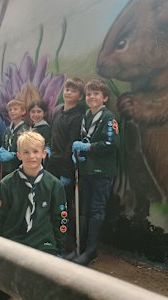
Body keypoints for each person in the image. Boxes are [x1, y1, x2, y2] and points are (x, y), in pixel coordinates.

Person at [0, 131, 67, 300]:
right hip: (13, 241)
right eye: (26, 152)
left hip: (43, 243)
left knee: (45, 290)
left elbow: (59, 218)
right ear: (18, 155)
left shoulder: (54, 185)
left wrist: (59, 249)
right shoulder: (7, 183)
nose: (31, 156)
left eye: (35, 151)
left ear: (43, 153)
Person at [69, 79, 119, 266]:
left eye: (96, 94)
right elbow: (83, 139)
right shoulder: (86, 116)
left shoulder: (108, 117)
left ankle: (91, 251)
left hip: (102, 172)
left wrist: (88, 147)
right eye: (89, 94)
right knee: (83, 209)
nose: (91, 97)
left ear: (104, 98)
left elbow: (111, 143)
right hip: (86, 171)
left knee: (96, 211)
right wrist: (78, 154)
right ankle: (79, 249)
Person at [47, 78, 85, 250]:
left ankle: (66, 243)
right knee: (50, 202)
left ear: (80, 96)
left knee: (64, 206)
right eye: (67, 89)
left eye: (73, 90)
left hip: (65, 167)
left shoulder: (77, 117)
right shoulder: (58, 112)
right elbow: (53, 136)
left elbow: (71, 146)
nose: (68, 92)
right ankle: (51, 237)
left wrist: (67, 172)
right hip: (51, 164)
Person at [0, 99, 28, 178]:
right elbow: (3, 144)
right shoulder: (7, 130)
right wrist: (1, 151)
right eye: (10, 110)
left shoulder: (25, 130)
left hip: (19, 167)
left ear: (23, 112)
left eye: (15, 109)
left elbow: (27, 149)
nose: (12, 111)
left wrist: (14, 155)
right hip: (5, 167)